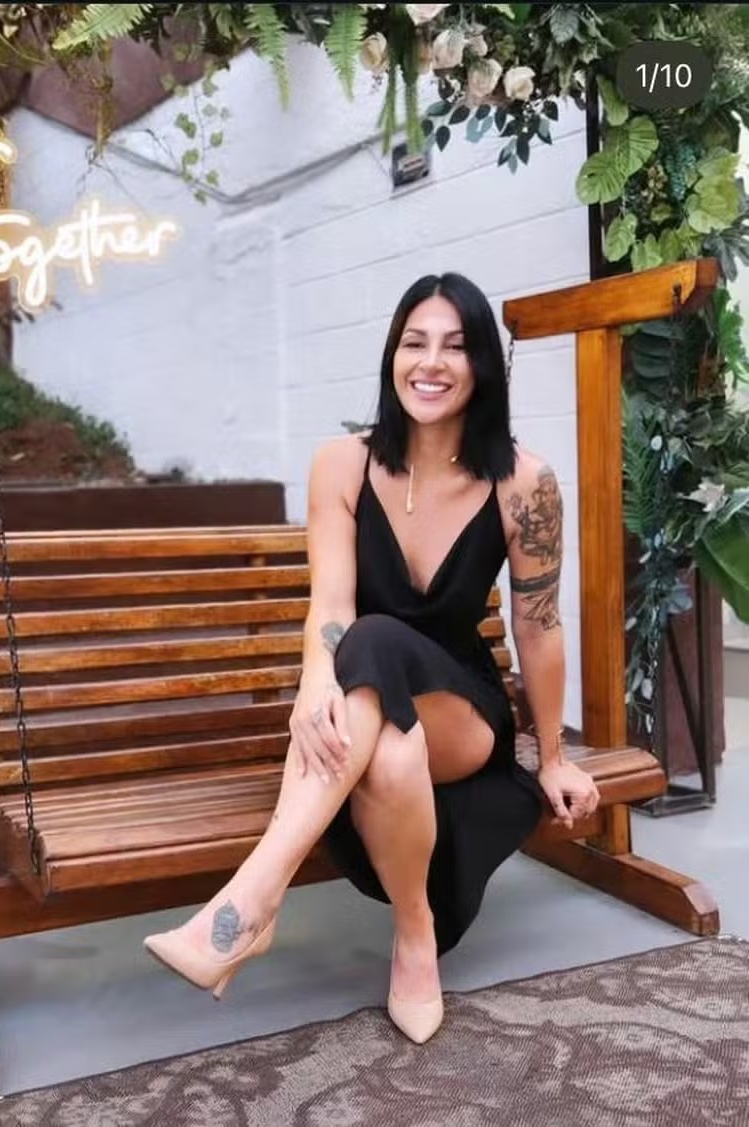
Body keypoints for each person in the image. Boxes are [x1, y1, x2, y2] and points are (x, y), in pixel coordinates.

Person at [144, 272, 601, 1044]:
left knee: (376, 639)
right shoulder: (342, 464)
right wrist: (313, 686)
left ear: (483, 365)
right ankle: (416, 938)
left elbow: (538, 623)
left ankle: (254, 897)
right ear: (392, 355)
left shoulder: (525, 482)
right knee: (386, 746)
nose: (432, 362)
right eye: (415, 342)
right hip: (370, 702)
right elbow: (331, 602)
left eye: (455, 346)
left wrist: (553, 754)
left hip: (460, 712)